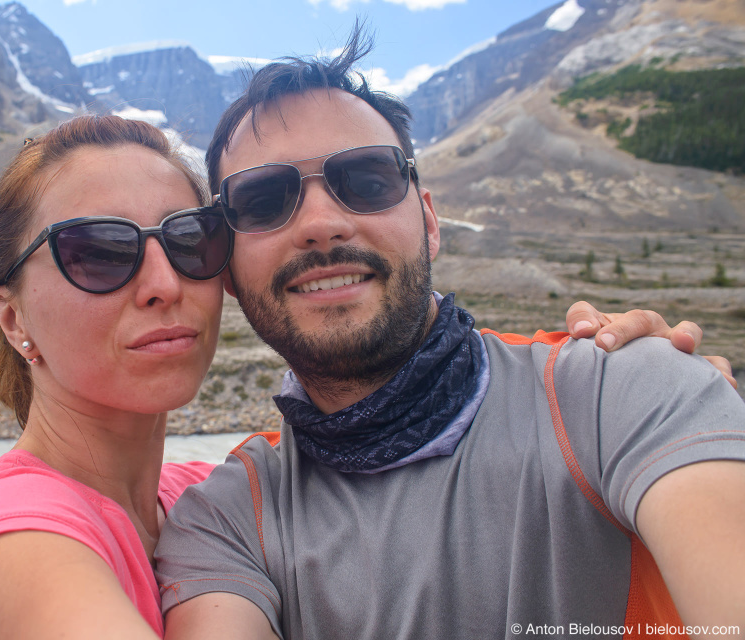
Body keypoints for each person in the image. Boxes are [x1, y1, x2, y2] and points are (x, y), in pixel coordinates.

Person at [154, 29, 745, 640]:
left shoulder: (619, 387)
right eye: (261, 200)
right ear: (226, 266)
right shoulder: (226, 520)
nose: (322, 224)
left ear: (429, 221)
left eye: (367, 179)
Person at [0, 115, 233, 639]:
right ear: (14, 318)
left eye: (190, 239)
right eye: (100, 253)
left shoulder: (210, 494)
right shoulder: (12, 539)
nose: (165, 284)